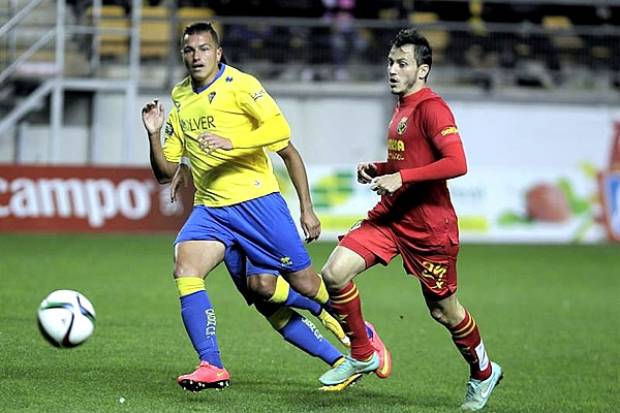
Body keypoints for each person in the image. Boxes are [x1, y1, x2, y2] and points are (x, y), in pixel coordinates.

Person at [140, 21, 346, 391]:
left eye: (204, 49)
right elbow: (164, 170)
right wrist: (155, 134)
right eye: (189, 50)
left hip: (256, 204)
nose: (196, 56)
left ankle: (351, 330)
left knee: (282, 287)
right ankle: (211, 364)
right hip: (212, 210)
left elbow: (281, 134)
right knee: (186, 267)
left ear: (218, 53)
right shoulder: (180, 98)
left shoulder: (242, 86)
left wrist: (305, 207)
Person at [317, 28, 503, 412]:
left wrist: (400, 176)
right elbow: (410, 162)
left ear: (423, 70)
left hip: (429, 228)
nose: (392, 70)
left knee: (443, 311)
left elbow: (457, 163)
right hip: (392, 217)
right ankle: (363, 353)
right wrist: (381, 168)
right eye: (390, 62)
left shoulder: (433, 108)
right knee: (334, 273)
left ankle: (483, 371)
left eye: (402, 63)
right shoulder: (401, 108)